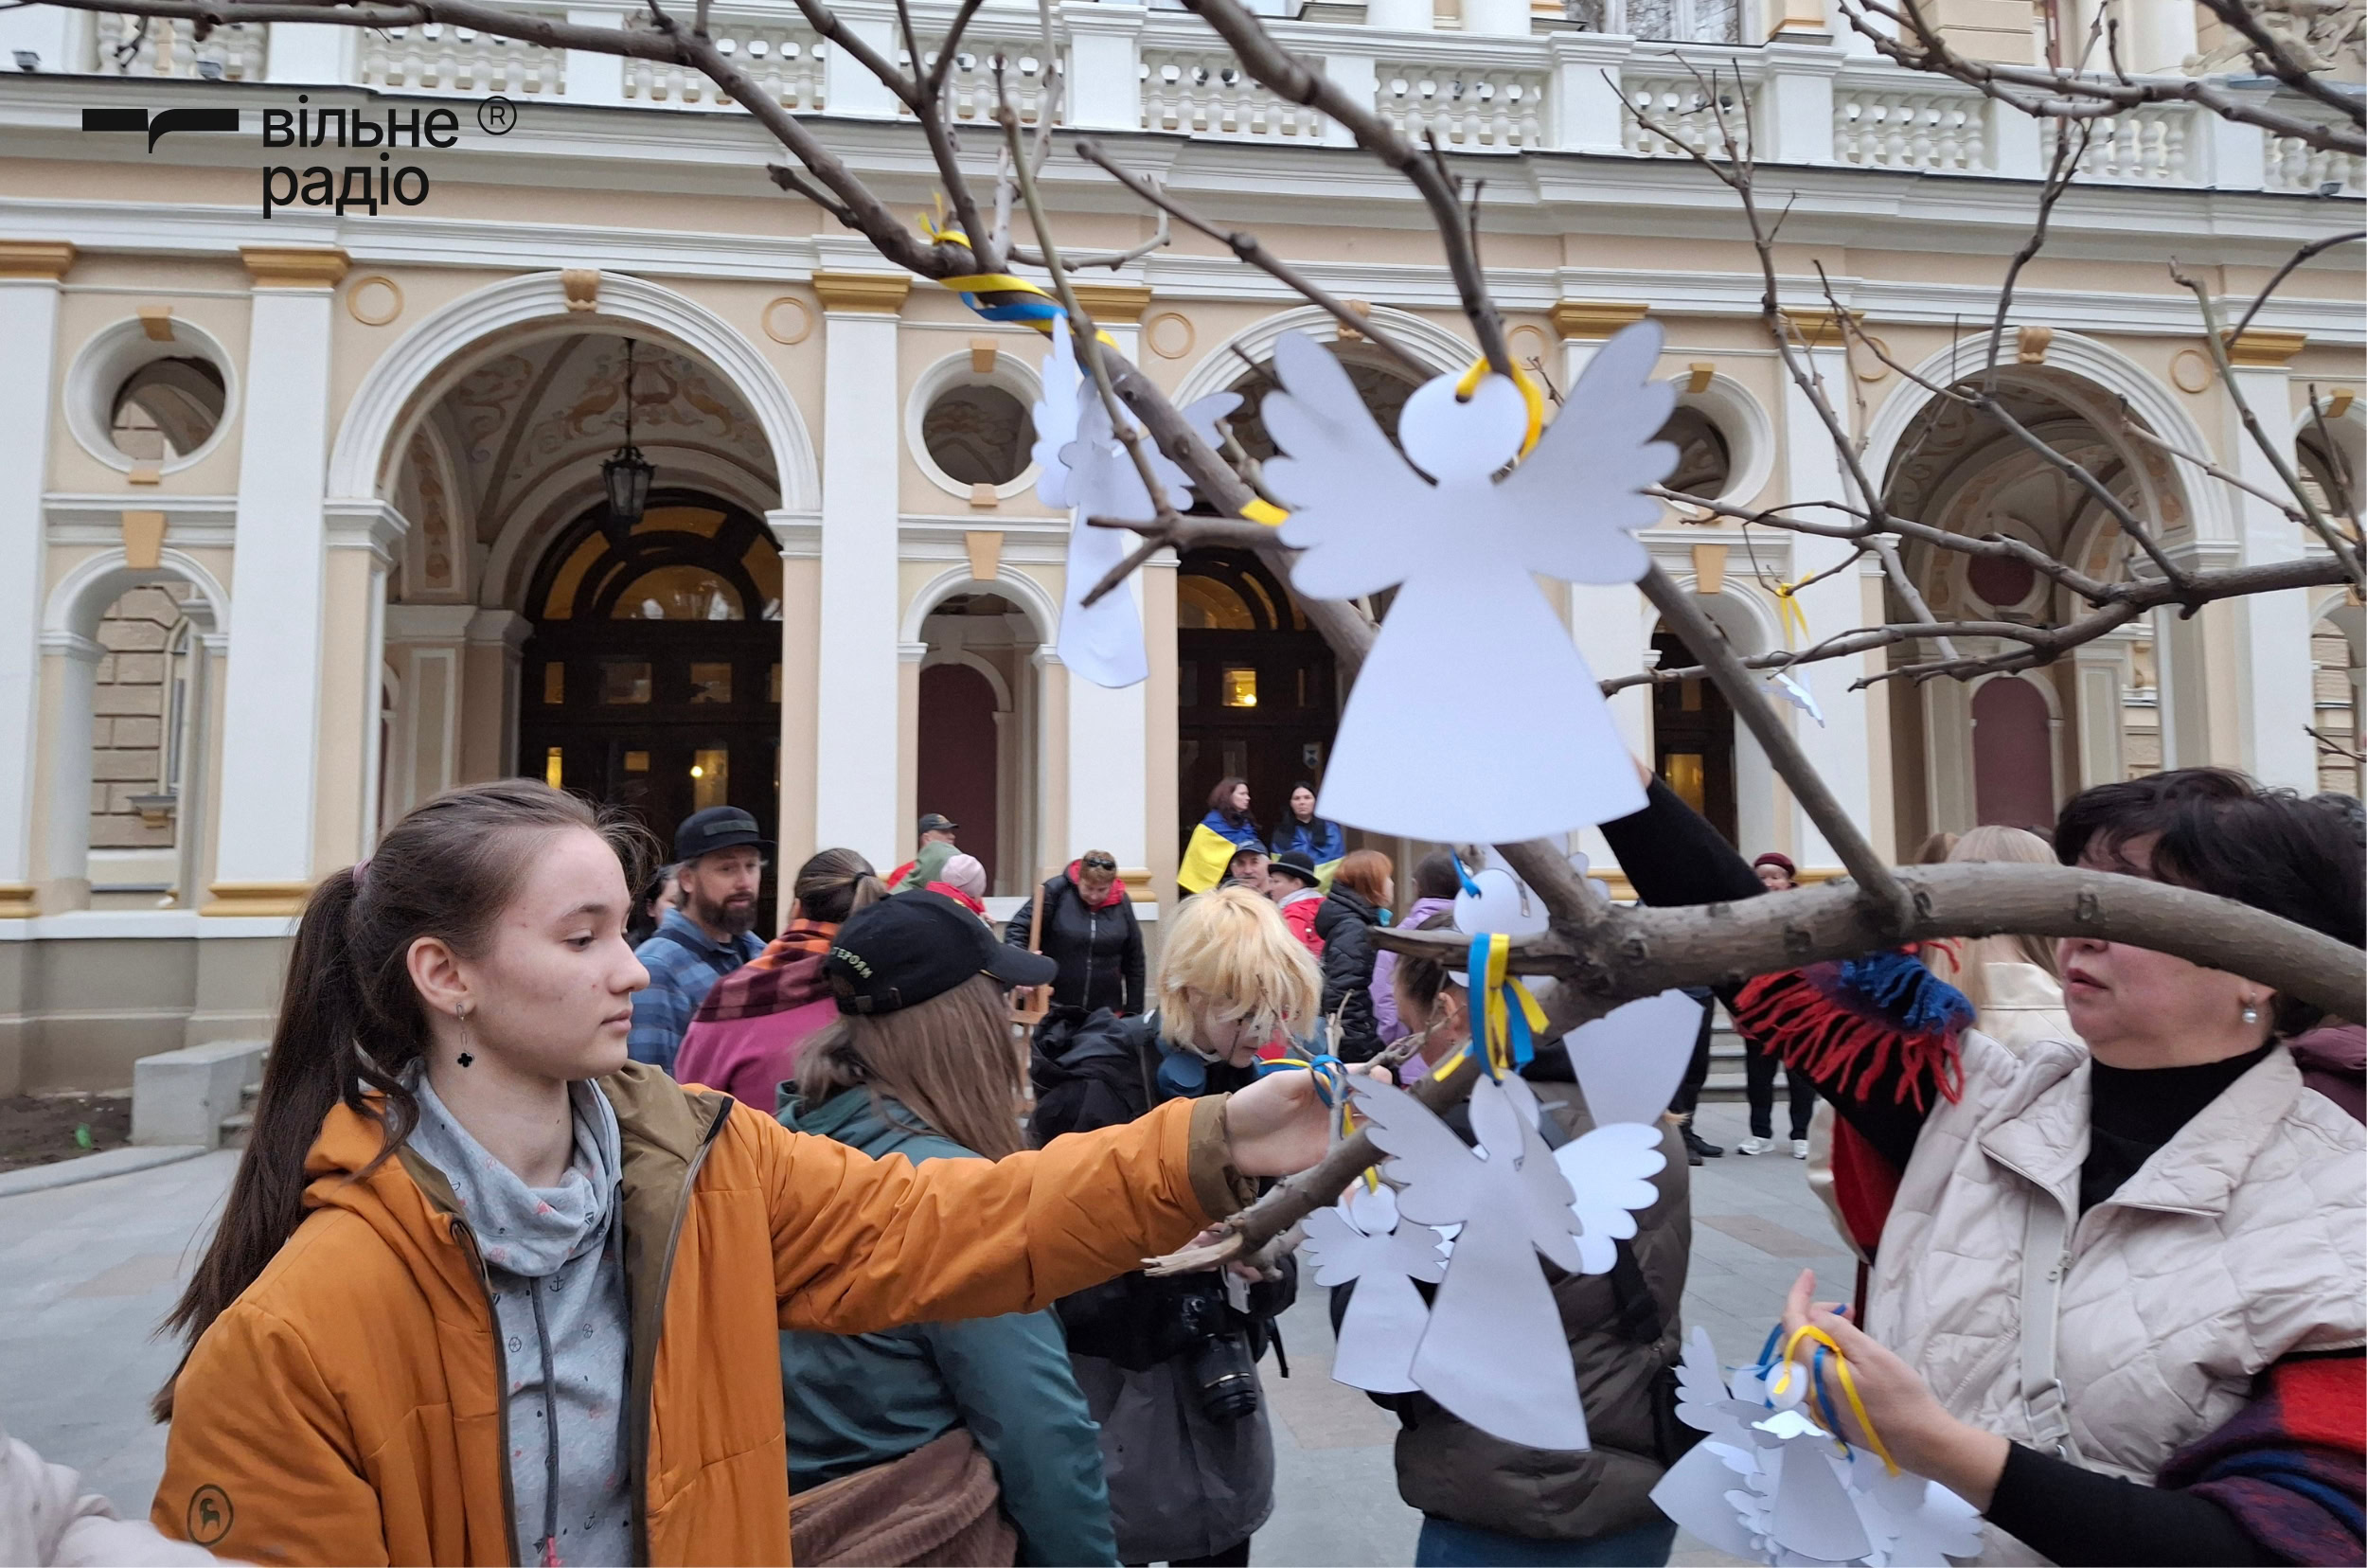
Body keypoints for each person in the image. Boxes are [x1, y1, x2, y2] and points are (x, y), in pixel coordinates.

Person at [142, 780, 1344, 1565]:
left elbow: (957, 1222)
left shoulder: (702, 1160)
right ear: (444, 976)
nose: (629, 972)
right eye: (580, 938)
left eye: (623, 927)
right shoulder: (288, 1346)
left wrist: (1215, 1140)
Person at [1602, 765, 2366, 1566]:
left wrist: (1937, 1446)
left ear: (2260, 961)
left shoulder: (2339, 1211)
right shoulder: (1973, 1101)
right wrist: (1607, 777)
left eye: (2134, 902)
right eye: (2080, 897)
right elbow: (1764, 950)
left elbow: (2295, 1545)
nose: (2084, 931)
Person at [775, 892, 1120, 1568]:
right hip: (918, 1539)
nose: (1008, 1021)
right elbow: (1042, 1440)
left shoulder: (791, 1139)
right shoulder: (951, 1194)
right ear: (956, 1023)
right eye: (997, 998)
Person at [1365, 929, 1692, 1568]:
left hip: (1496, 1497)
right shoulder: (1646, 1120)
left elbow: (1385, 1352)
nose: (1410, 1058)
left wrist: (1364, 1205)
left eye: (1410, 1032)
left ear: (1452, 1009)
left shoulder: (1461, 1137)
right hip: (1635, 1481)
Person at [1028, 886, 1321, 1568]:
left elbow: (1277, 1270)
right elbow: (1049, 1259)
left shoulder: (1254, 1083)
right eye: (1243, 1012)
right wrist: (1154, 1252)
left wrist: (1264, 1261)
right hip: (1121, 1407)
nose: (1260, 1031)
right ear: (1188, 992)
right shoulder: (1099, 1086)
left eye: (1275, 1012)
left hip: (1220, 1412)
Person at [673, 848, 885, 1113]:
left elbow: (689, 1115)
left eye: (751, 866)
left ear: (796, 908)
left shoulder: (733, 999)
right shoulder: (894, 991)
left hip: (756, 1152)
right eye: (728, 869)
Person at [628, 805, 768, 1074]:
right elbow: (649, 1094)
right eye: (727, 869)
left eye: (751, 866)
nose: (744, 882)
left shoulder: (762, 955)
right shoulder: (656, 968)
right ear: (687, 880)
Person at [1004, 850, 1146, 1016]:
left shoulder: (1122, 903)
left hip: (1105, 1010)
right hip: (1054, 1006)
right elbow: (1018, 927)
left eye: (1101, 890)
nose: (1094, 895)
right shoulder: (1055, 891)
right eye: (1088, 888)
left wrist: (1133, 1013)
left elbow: (1135, 960)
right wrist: (1022, 961)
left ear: (1112, 884)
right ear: (1079, 878)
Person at [1737, 850, 1813, 1156]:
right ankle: (1760, 1133)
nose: (1769, 883)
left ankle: (1802, 1134)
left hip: (1798, 1004)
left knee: (1801, 1075)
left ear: (1788, 880)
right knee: (1758, 1075)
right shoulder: (1743, 911)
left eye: (1775, 877)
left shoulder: (1808, 910)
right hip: (1756, 1004)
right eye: (1762, 878)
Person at [1373, 851, 1458, 1050]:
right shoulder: (1480, 928)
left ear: (1416, 885)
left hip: (1415, 1049)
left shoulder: (1401, 936)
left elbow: (1384, 992)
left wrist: (1399, 1039)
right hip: (1475, 1049)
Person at [1315, 847, 1393, 1062]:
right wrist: (1362, 1051)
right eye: (1387, 878)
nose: (1392, 884)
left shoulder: (1358, 922)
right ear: (1371, 883)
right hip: (1357, 1047)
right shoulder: (1354, 929)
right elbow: (1345, 994)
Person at [1267, 782, 1344, 865]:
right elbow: (1279, 863)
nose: (1302, 802)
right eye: (1297, 798)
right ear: (1290, 803)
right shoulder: (1281, 832)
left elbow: (1336, 861)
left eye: (1307, 798)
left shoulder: (1330, 829)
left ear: (1315, 801)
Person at [1266, 849, 1326, 954]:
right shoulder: (1323, 905)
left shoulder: (1294, 913)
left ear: (1296, 884)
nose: (1271, 887)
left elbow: (1292, 955)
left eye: (1276, 881)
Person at [884, 814, 960, 895]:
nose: (952, 836)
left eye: (950, 831)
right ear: (927, 837)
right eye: (944, 831)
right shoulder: (903, 872)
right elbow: (893, 903)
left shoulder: (960, 870)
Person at [627, 862, 684, 949]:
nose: (682, 909)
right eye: (674, 902)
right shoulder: (635, 953)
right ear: (651, 907)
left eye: (687, 903)